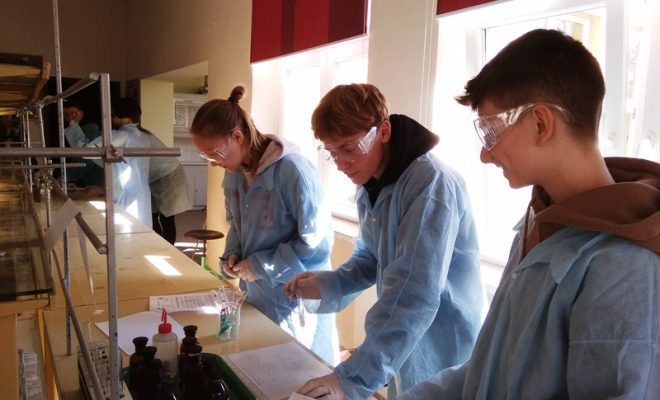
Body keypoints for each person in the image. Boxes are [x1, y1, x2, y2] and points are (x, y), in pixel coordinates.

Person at [399, 29, 660, 400]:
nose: (485, 154)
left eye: (491, 131)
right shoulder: (538, 222)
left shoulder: (622, 265)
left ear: (541, 123)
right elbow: (491, 367)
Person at [284, 83, 484, 399]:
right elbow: (371, 258)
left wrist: (351, 379)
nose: (341, 163)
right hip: (404, 338)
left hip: (443, 340)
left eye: (348, 148)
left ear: (384, 131)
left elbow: (415, 292)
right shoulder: (372, 185)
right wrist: (328, 283)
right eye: (332, 153)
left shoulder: (430, 183)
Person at [188, 86, 339, 365]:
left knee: (297, 371)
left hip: (292, 298)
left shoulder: (293, 171)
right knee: (258, 366)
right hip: (255, 294)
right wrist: (233, 254)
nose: (213, 163)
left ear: (237, 137)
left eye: (215, 153)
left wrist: (259, 266)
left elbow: (317, 244)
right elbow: (236, 224)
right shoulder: (234, 174)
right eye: (206, 157)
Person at [65, 97, 153, 228]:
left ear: (115, 115)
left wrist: (73, 124)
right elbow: (118, 163)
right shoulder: (143, 135)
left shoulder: (122, 135)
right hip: (141, 193)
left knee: (128, 231)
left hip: (128, 194)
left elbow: (87, 151)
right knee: (140, 231)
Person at [62, 100, 104, 188]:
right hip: (88, 179)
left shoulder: (91, 128)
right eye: (67, 115)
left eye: (74, 114)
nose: (70, 117)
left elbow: (89, 158)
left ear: (81, 113)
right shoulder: (74, 130)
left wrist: (66, 177)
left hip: (98, 178)